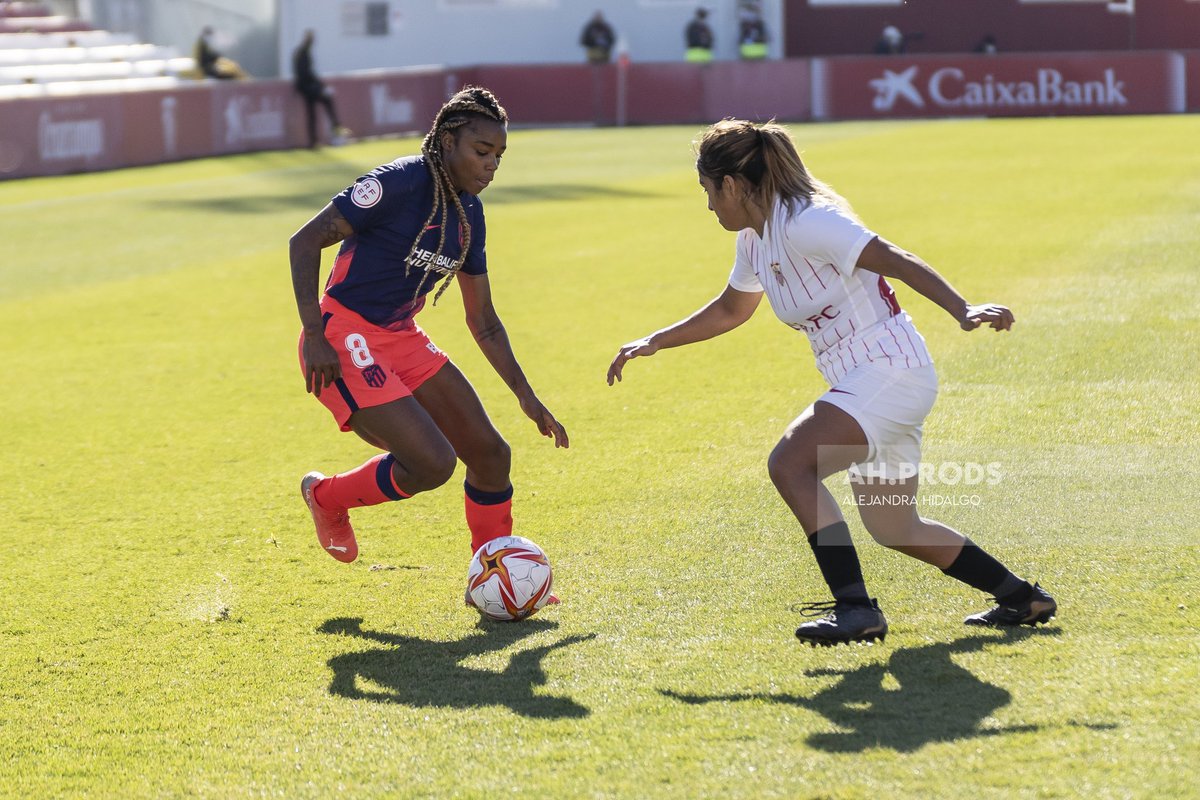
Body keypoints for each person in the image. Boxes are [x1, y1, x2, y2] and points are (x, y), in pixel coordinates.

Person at [607, 119, 1056, 646]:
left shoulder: (807, 221)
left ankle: (856, 609)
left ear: (730, 184)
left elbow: (894, 257)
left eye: (707, 191)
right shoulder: (755, 239)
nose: (708, 206)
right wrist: (657, 340)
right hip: (874, 382)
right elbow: (732, 309)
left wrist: (962, 309)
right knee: (896, 528)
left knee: (790, 464)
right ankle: (1022, 598)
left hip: (889, 371)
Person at [289, 86, 569, 593]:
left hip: (402, 336)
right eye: (482, 152)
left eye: (499, 156)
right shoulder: (399, 182)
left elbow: (482, 320)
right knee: (431, 463)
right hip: (344, 334)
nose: (491, 166)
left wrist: (527, 397)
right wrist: (313, 333)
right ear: (445, 141)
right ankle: (326, 497)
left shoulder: (469, 216)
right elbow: (304, 240)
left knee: (490, 455)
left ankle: (493, 576)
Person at [292, 29, 350, 149]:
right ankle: (335, 133)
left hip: (306, 87)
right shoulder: (303, 52)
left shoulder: (302, 52)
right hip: (308, 87)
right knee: (326, 102)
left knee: (312, 113)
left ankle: (315, 141)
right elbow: (306, 73)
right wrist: (320, 86)